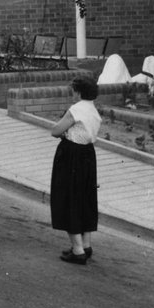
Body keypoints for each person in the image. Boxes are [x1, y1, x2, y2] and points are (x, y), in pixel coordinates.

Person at [48, 74, 102, 264]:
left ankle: (77, 250)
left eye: (74, 91)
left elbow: (55, 131)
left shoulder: (76, 109)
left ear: (79, 93)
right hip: (88, 154)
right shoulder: (93, 110)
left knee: (68, 197)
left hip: (71, 155)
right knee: (85, 198)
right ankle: (86, 245)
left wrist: (63, 131)